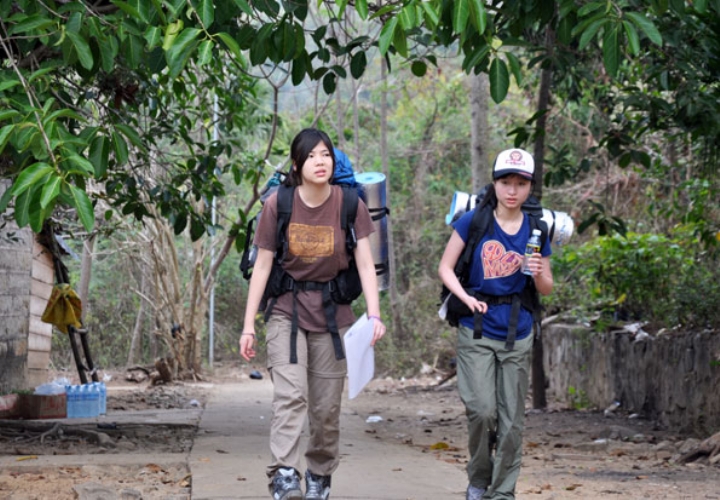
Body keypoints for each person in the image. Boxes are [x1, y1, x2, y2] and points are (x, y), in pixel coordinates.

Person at [240, 128, 386, 500]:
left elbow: (367, 265)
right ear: (297, 164)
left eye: (326, 155)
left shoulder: (350, 204)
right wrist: (248, 326)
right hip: (286, 312)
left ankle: (319, 474)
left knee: (325, 407)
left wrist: (374, 315)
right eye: (311, 156)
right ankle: (285, 474)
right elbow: (262, 266)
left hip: (333, 316)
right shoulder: (280, 204)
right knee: (290, 396)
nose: (320, 162)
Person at [438, 148, 553, 500]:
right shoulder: (474, 221)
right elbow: (445, 267)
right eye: (506, 182)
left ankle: (502, 493)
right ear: (495, 183)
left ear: (530, 187)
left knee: (511, 423)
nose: (513, 190)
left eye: (520, 183)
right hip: (477, 330)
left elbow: (547, 286)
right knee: (482, 411)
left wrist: (538, 273)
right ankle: (479, 478)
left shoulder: (537, 229)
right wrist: (467, 297)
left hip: (517, 333)